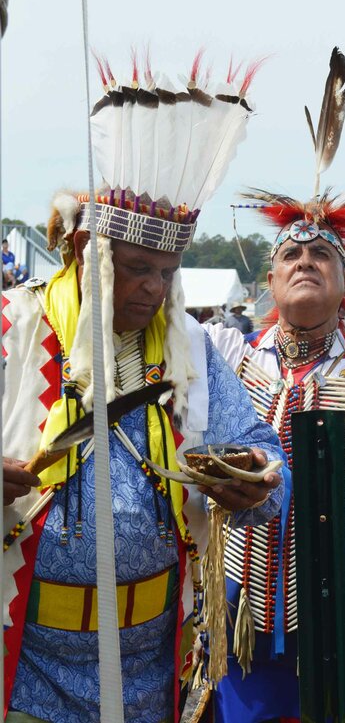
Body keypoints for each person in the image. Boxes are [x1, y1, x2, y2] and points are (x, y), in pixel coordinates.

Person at [2, 56, 286, 723]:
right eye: (135, 269)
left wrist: (258, 482)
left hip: (156, 665)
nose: (154, 288)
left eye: (166, 271)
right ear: (85, 254)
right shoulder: (15, 326)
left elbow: (267, 463)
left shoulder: (191, 349)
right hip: (27, 660)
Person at [206, 49, 345, 722]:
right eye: (290, 255)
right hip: (242, 606)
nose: (303, 261)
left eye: (320, 254)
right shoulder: (231, 360)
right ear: (268, 281)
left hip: (338, 619)